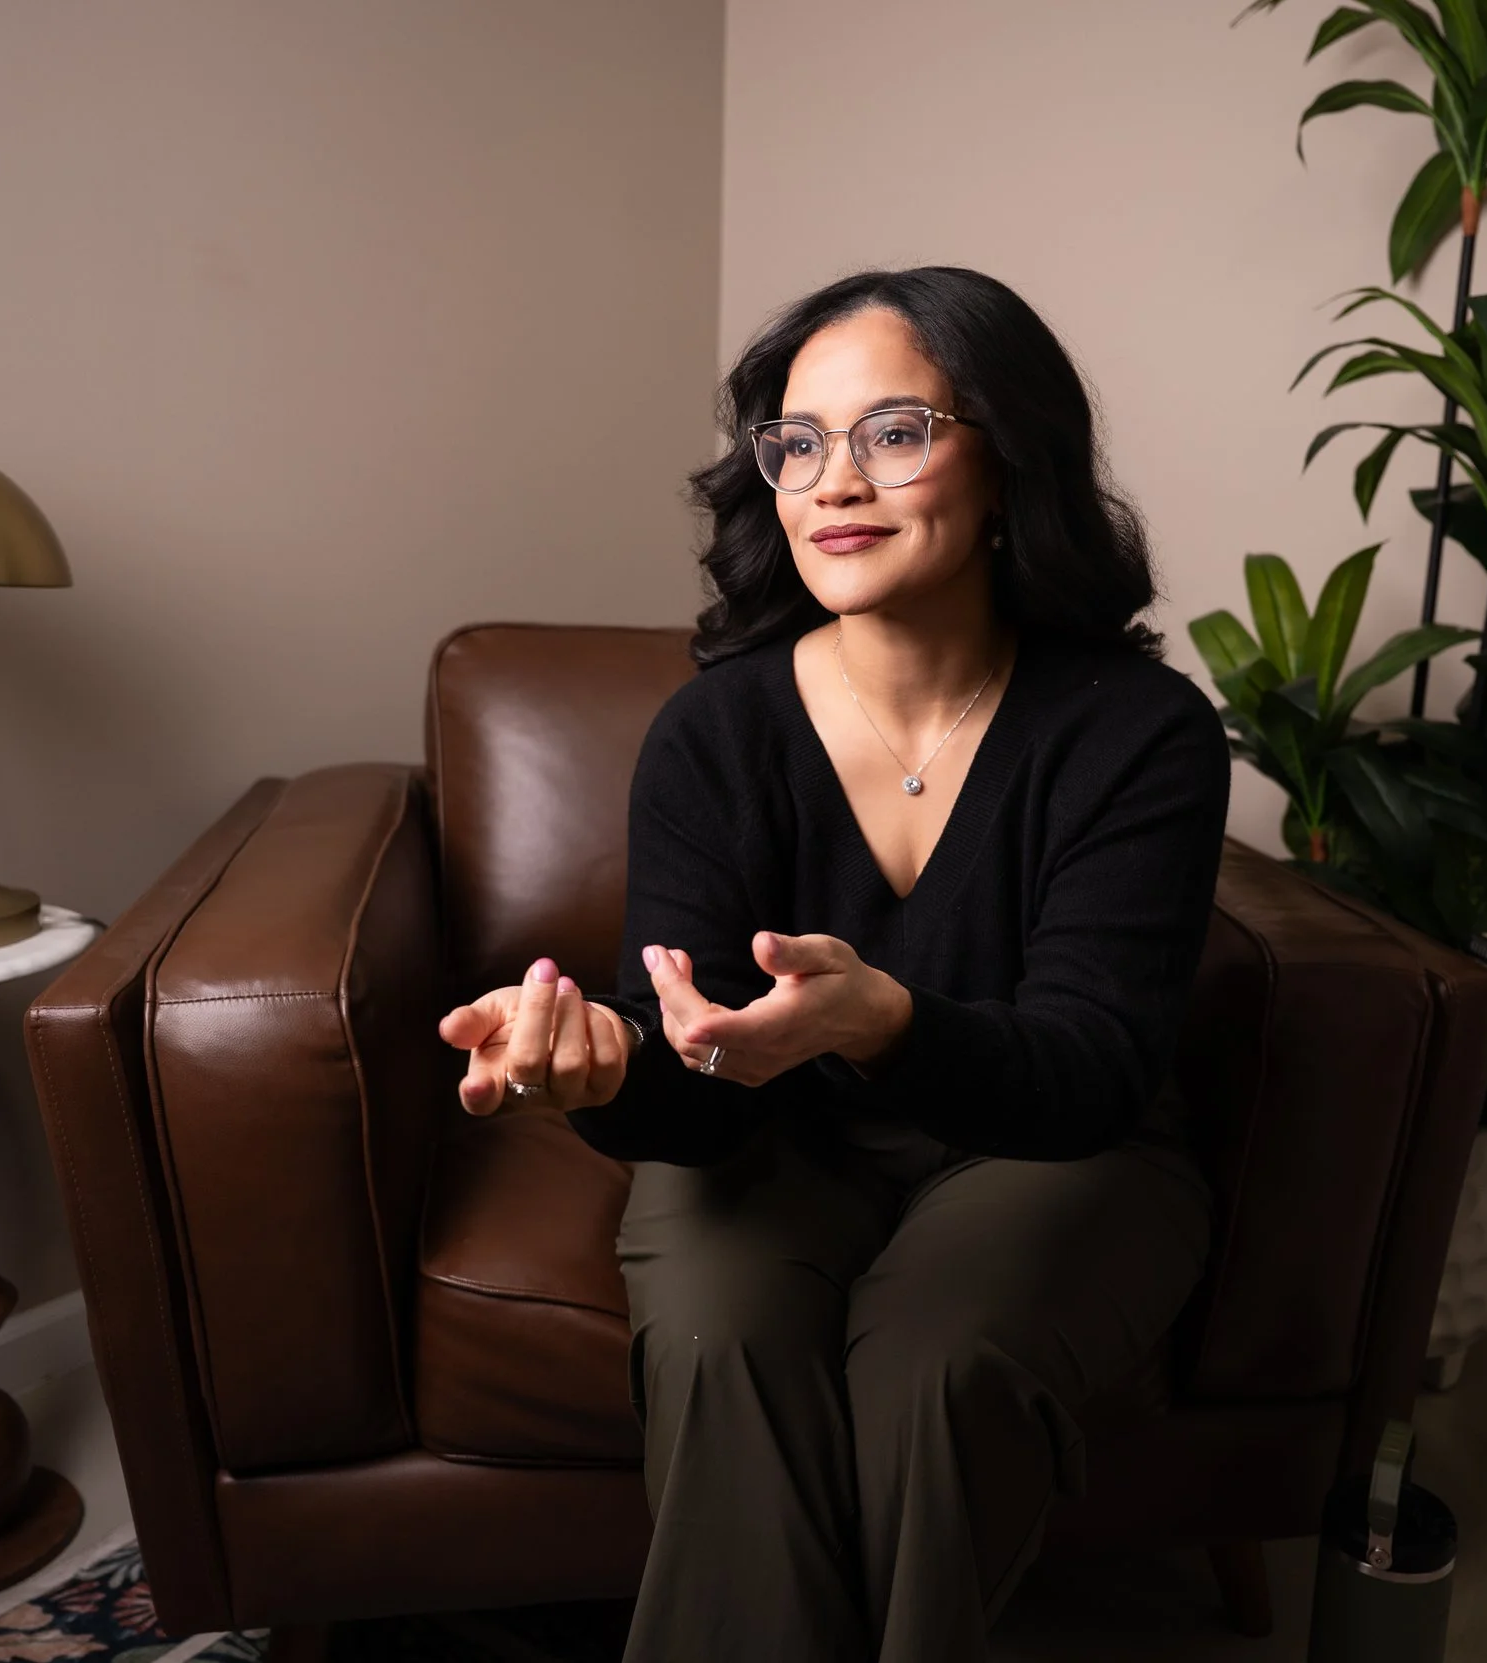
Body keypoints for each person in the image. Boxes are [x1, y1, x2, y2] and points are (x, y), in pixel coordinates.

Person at [434, 266, 1229, 1663]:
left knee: (938, 1367)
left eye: (896, 433)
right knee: (718, 1339)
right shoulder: (716, 732)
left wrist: (888, 1024)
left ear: (1008, 459)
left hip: (1052, 1150)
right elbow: (697, 1076)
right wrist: (609, 1061)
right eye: (797, 444)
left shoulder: (1138, 730)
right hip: (766, 1146)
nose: (833, 482)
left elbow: (1094, 1069)